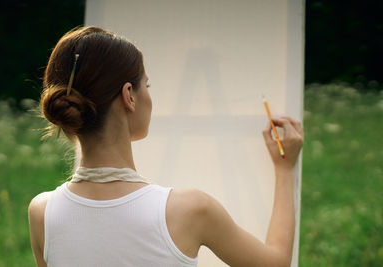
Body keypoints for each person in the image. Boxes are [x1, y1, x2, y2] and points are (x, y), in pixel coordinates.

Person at [28, 26, 304, 267]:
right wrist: (285, 168)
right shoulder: (191, 210)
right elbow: (276, 263)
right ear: (129, 96)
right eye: (147, 84)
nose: (149, 94)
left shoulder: (42, 212)